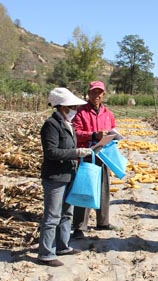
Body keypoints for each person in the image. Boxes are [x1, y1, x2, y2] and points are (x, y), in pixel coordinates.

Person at [39, 88, 93, 267]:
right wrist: (75, 152)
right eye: (72, 106)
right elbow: (51, 151)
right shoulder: (51, 125)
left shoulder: (67, 123)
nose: (76, 108)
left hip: (69, 173)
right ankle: (46, 253)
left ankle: (63, 246)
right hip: (55, 176)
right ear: (62, 106)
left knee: (67, 213)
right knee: (52, 215)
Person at [71, 81, 117, 238]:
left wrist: (113, 139)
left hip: (103, 155)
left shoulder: (108, 114)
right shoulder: (80, 112)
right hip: (87, 155)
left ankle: (103, 222)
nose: (96, 96)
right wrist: (92, 135)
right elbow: (75, 133)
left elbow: (113, 130)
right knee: (85, 188)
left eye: (99, 93)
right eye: (93, 92)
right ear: (88, 94)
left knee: (104, 188)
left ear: (103, 95)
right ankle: (79, 226)